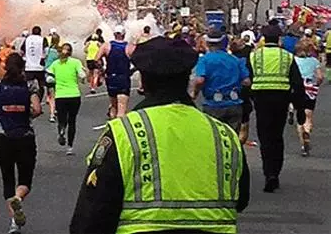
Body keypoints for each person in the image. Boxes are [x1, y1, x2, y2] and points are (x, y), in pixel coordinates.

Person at [70, 36, 249, 234]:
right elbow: (241, 199)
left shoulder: (124, 133)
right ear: (187, 77)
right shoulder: (224, 135)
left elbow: (92, 214)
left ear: (144, 81)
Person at [0, 53, 42, 234]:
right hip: (25, 136)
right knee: (25, 180)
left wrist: (0, 114)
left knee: (7, 180)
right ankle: (19, 197)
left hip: (4, 138)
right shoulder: (30, 86)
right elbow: (37, 109)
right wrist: (26, 113)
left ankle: (13, 224)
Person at [248, 25, 306, 193]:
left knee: (265, 138)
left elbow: (248, 79)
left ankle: (268, 172)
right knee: (277, 137)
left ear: (264, 39)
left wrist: (249, 98)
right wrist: (299, 108)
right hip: (281, 99)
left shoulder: (254, 56)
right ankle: (275, 172)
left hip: (261, 100)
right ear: (279, 39)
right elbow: (297, 83)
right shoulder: (287, 57)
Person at [192, 30, 251, 132]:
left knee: (215, 138)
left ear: (208, 44)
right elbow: (247, 81)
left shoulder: (204, 60)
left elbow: (200, 80)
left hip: (213, 105)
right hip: (234, 104)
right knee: (233, 138)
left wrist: (194, 93)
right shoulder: (235, 60)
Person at [47, 43, 85, 155]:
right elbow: (82, 75)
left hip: (61, 96)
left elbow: (49, 77)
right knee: (72, 120)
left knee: (62, 118)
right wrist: (83, 78)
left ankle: (61, 129)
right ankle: (70, 147)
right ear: (71, 52)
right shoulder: (76, 62)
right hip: (74, 95)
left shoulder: (55, 64)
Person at [95, 25, 134, 119]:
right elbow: (139, 61)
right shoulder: (129, 47)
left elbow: (96, 60)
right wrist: (132, 70)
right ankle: (120, 129)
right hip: (123, 77)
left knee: (113, 106)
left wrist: (102, 70)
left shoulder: (106, 46)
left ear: (114, 34)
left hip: (111, 77)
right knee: (122, 108)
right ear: (124, 34)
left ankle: (112, 125)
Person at [293, 39, 324, 156]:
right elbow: (320, 77)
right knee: (308, 115)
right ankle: (307, 131)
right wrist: (317, 84)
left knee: (300, 116)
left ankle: (303, 144)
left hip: (298, 88)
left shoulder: (294, 60)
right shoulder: (314, 61)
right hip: (310, 89)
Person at [229, 38, 254, 144]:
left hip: (231, 91)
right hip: (245, 91)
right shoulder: (247, 55)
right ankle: (240, 141)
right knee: (244, 119)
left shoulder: (230, 59)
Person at [21, 26, 48, 101]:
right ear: (40, 32)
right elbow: (46, 51)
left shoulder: (27, 39)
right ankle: (39, 101)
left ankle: (29, 101)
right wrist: (43, 57)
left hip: (29, 67)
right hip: (40, 67)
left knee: (28, 85)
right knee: (41, 86)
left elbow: (22, 51)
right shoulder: (43, 39)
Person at [44, 35, 60, 122]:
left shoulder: (47, 51)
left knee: (51, 95)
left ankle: (52, 114)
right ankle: (55, 111)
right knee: (56, 94)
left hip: (47, 74)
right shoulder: (58, 52)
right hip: (55, 75)